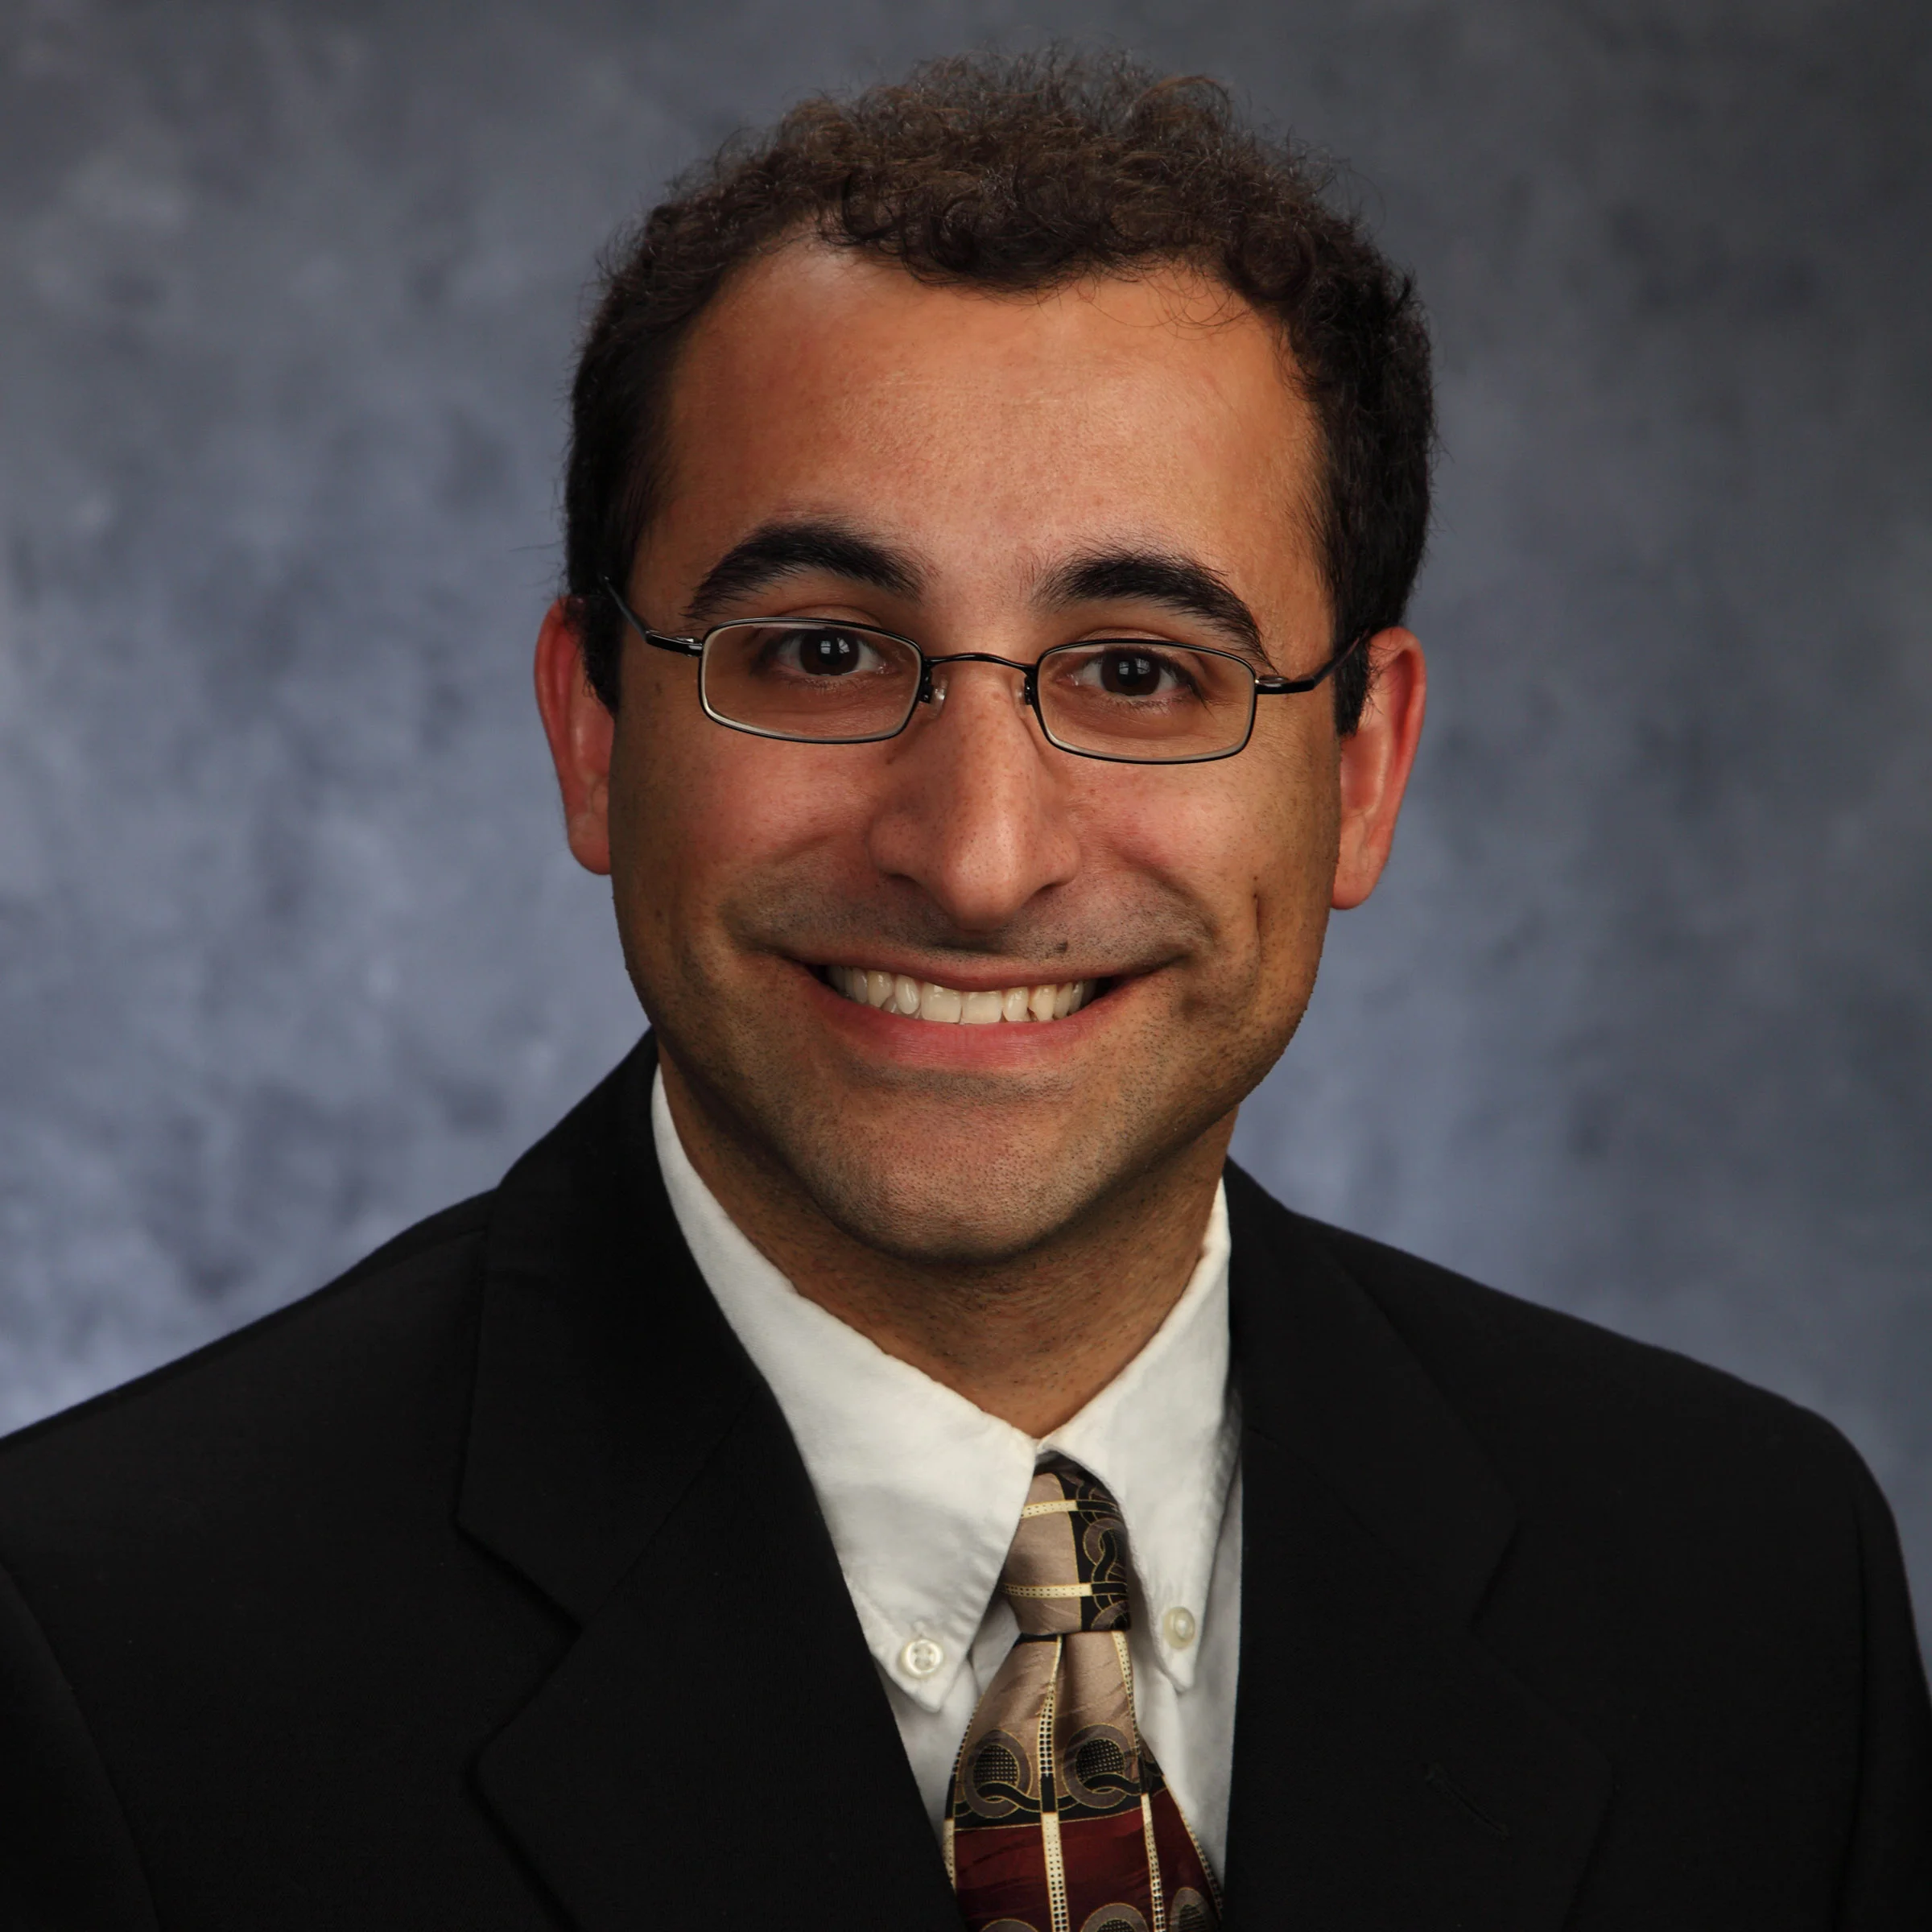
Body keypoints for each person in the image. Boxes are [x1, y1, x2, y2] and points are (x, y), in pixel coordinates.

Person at [0, 51, 1926, 1932]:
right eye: (823, 652)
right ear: (593, 728)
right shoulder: (94, 1652)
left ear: (1362, 770)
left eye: (1141, 672)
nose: (981, 856)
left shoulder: (1751, 1591)